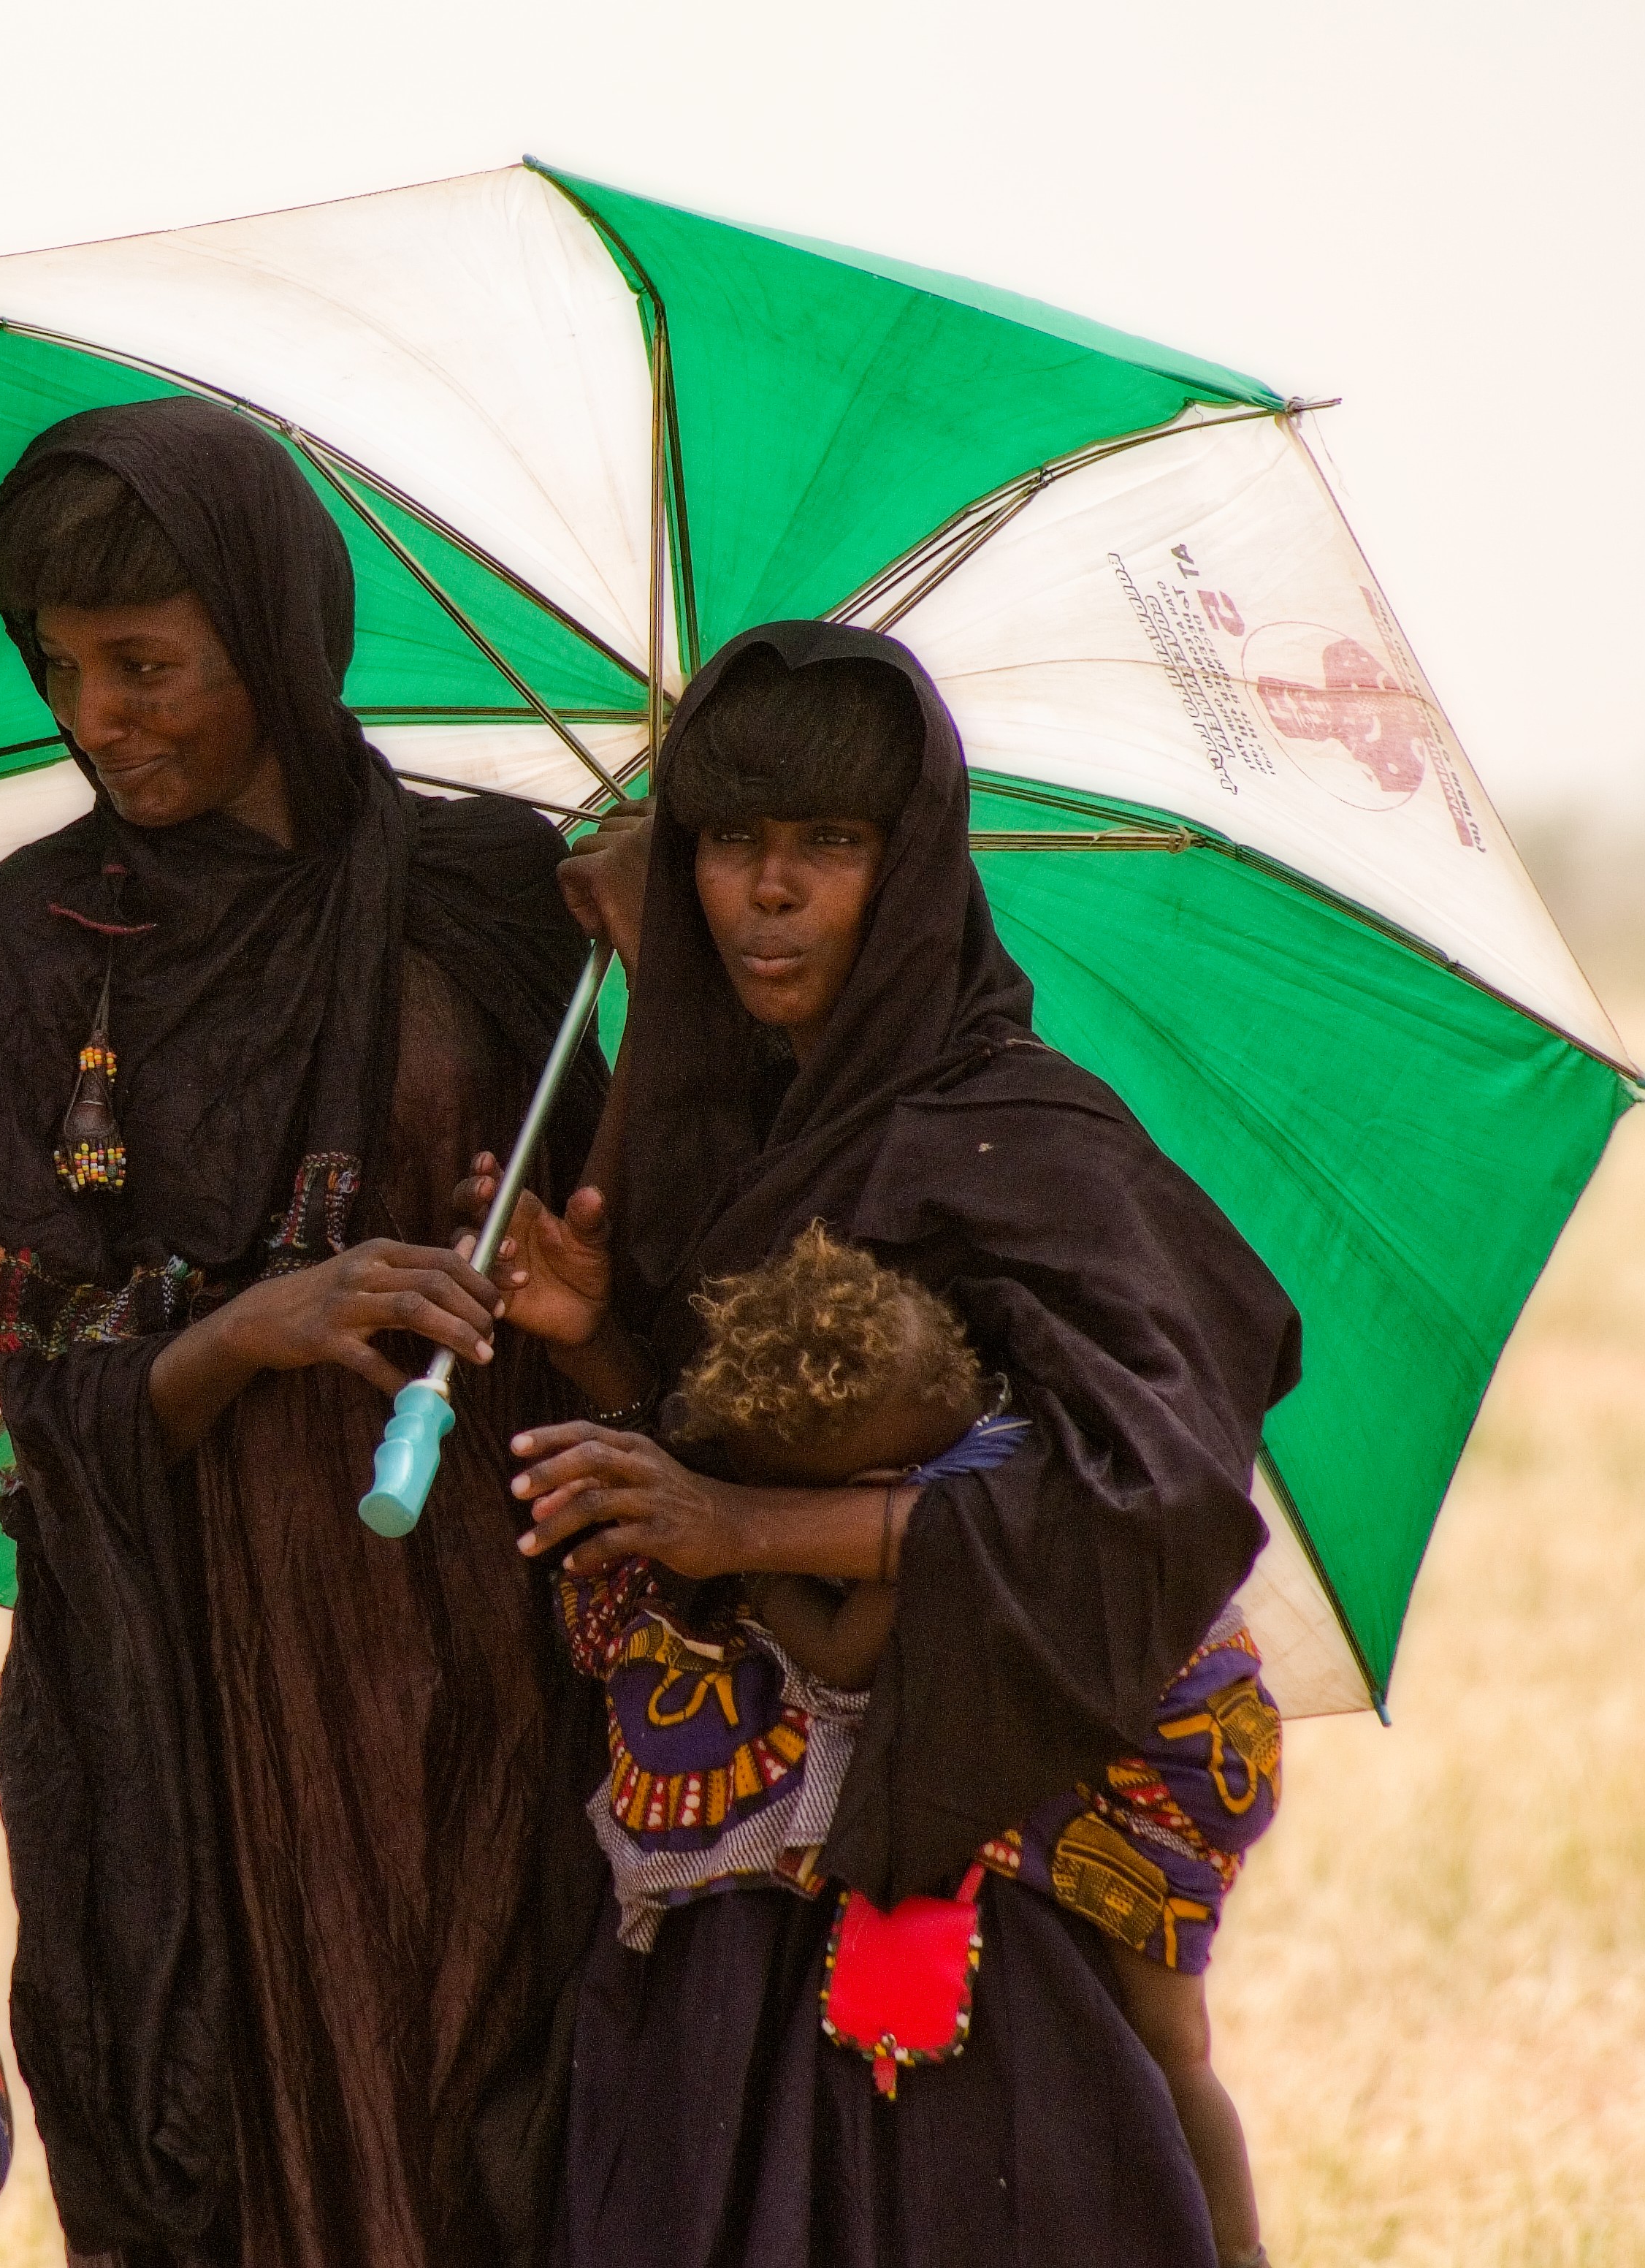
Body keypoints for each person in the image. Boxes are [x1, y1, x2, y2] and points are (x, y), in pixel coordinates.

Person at [481, 622, 1299, 2268]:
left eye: (828, 846)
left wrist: (736, 1530)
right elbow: (739, 1430)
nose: (766, 894)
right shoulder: (718, 1129)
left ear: (910, 863)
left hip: (977, 1855)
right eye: (730, 842)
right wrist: (599, 1337)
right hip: (722, 1863)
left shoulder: (1025, 1135)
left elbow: (1144, 1493)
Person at [0, 397, 610, 2268]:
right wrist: (252, 1326)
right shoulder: (41, 932)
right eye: (61, 669)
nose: (99, 716)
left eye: (147, 663)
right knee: (250, 2123)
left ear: (272, 624)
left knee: (505, 2083)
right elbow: (42, 1369)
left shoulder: (504, 888)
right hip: (203, 1656)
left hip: (498, 1598)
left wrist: (656, 981)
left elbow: (622, 1246)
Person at [568, 1222, 1275, 2261]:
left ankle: (1234, 2248)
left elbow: (845, 1657)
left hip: (1163, 1769)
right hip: (1217, 1707)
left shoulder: (944, 1510)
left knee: (1173, 2042)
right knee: (1178, 2045)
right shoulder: (1028, 1417)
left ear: (882, 1471)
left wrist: (749, 1551)